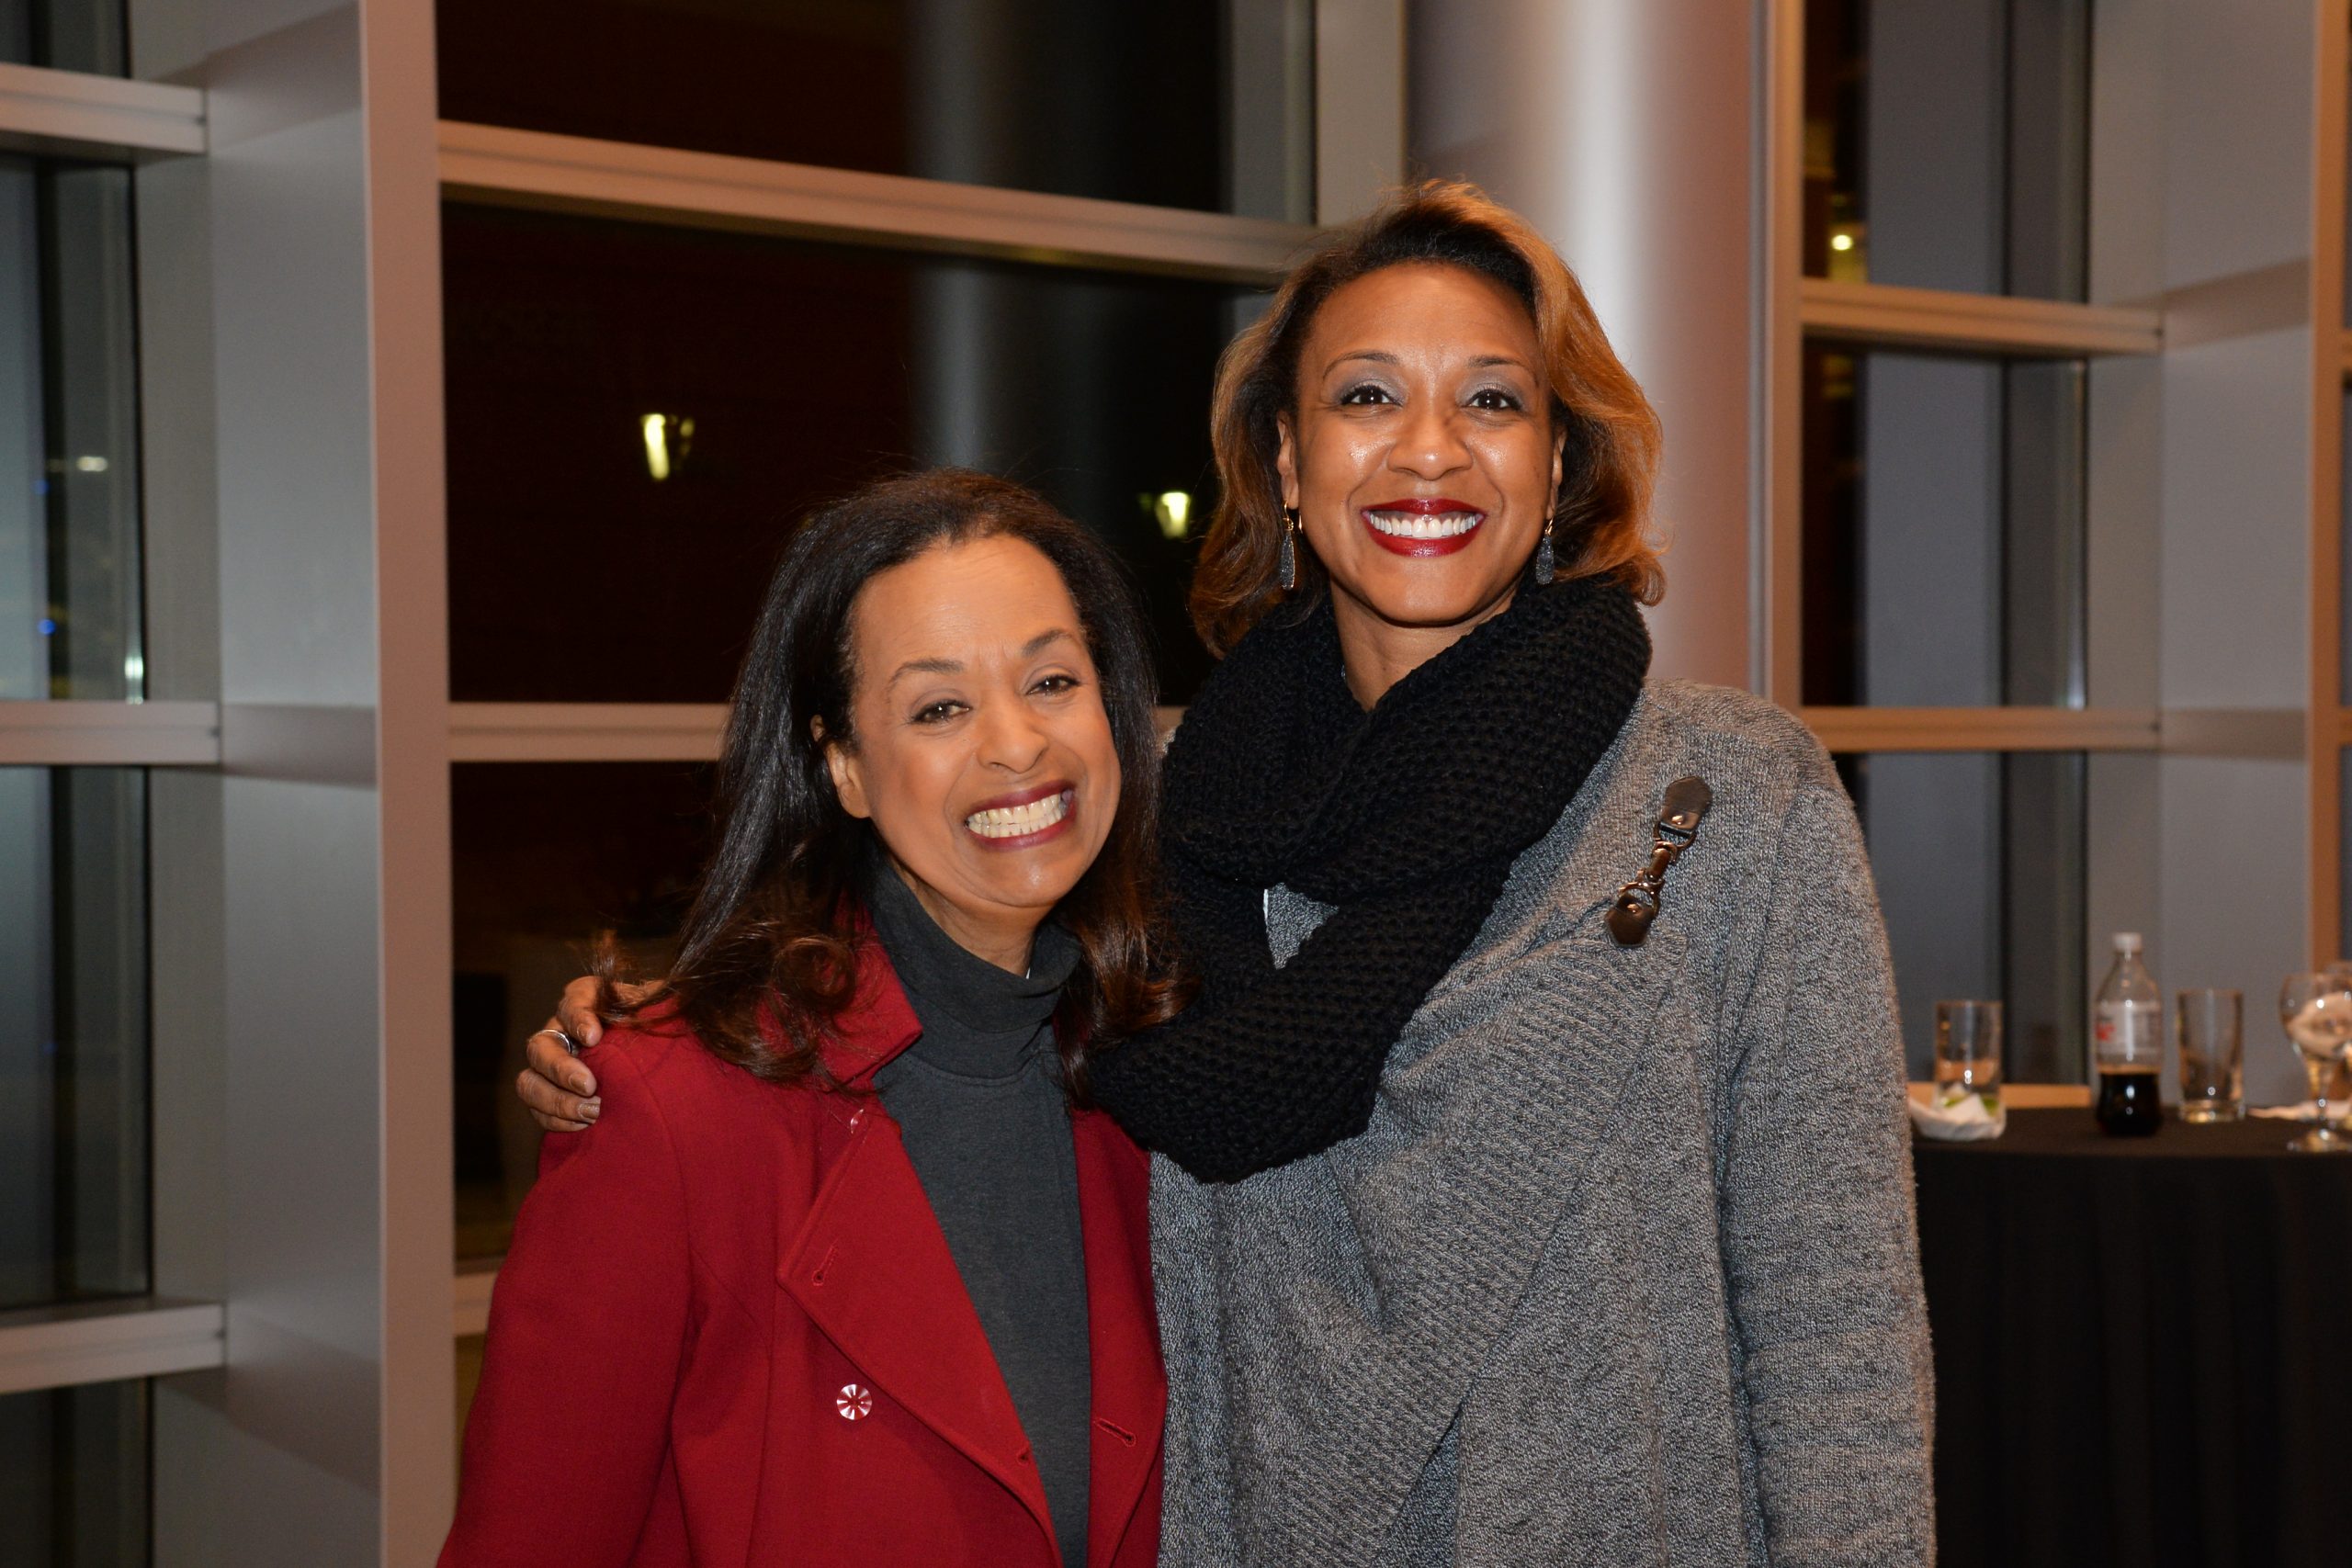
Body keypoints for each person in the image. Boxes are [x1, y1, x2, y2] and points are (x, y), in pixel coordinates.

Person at [523, 184, 1934, 1565]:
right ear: (1284, 460)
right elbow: (949, 986)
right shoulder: (1168, 821)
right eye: (1368, 396)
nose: (1429, 449)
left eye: (1493, 400)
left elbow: (1836, 1320)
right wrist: (657, 1047)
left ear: (1559, 462)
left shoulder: (1724, 794)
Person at [445, 469, 1179, 1568]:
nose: (1018, 743)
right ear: (843, 766)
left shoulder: (1164, 1078)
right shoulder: (675, 1114)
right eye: (938, 708)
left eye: (1052, 681)